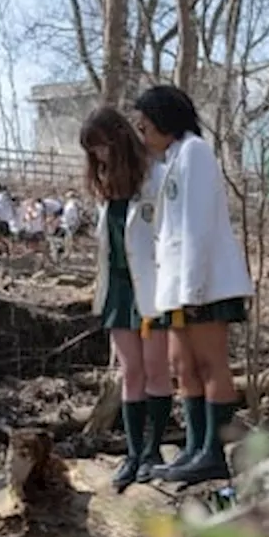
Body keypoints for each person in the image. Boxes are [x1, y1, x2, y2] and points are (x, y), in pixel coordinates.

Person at [133, 85, 254, 486]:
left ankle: (214, 451)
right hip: (177, 286)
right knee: (182, 366)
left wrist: (193, 288)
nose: (143, 134)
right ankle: (194, 446)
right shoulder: (168, 161)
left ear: (166, 122)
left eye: (146, 126)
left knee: (209, 364)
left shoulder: (195, 153)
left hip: (204, 283)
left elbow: (197, 225)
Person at [81, 106, 173, 492]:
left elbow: (170, 237)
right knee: (130, 372)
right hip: (119, 289)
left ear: (118, 139)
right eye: (92, 152)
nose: (99, 157)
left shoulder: (155, 176)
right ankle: (133, 454)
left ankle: (153, 451)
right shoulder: (104, 188)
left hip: (152, 287)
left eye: (102, 147)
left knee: (155, 370)